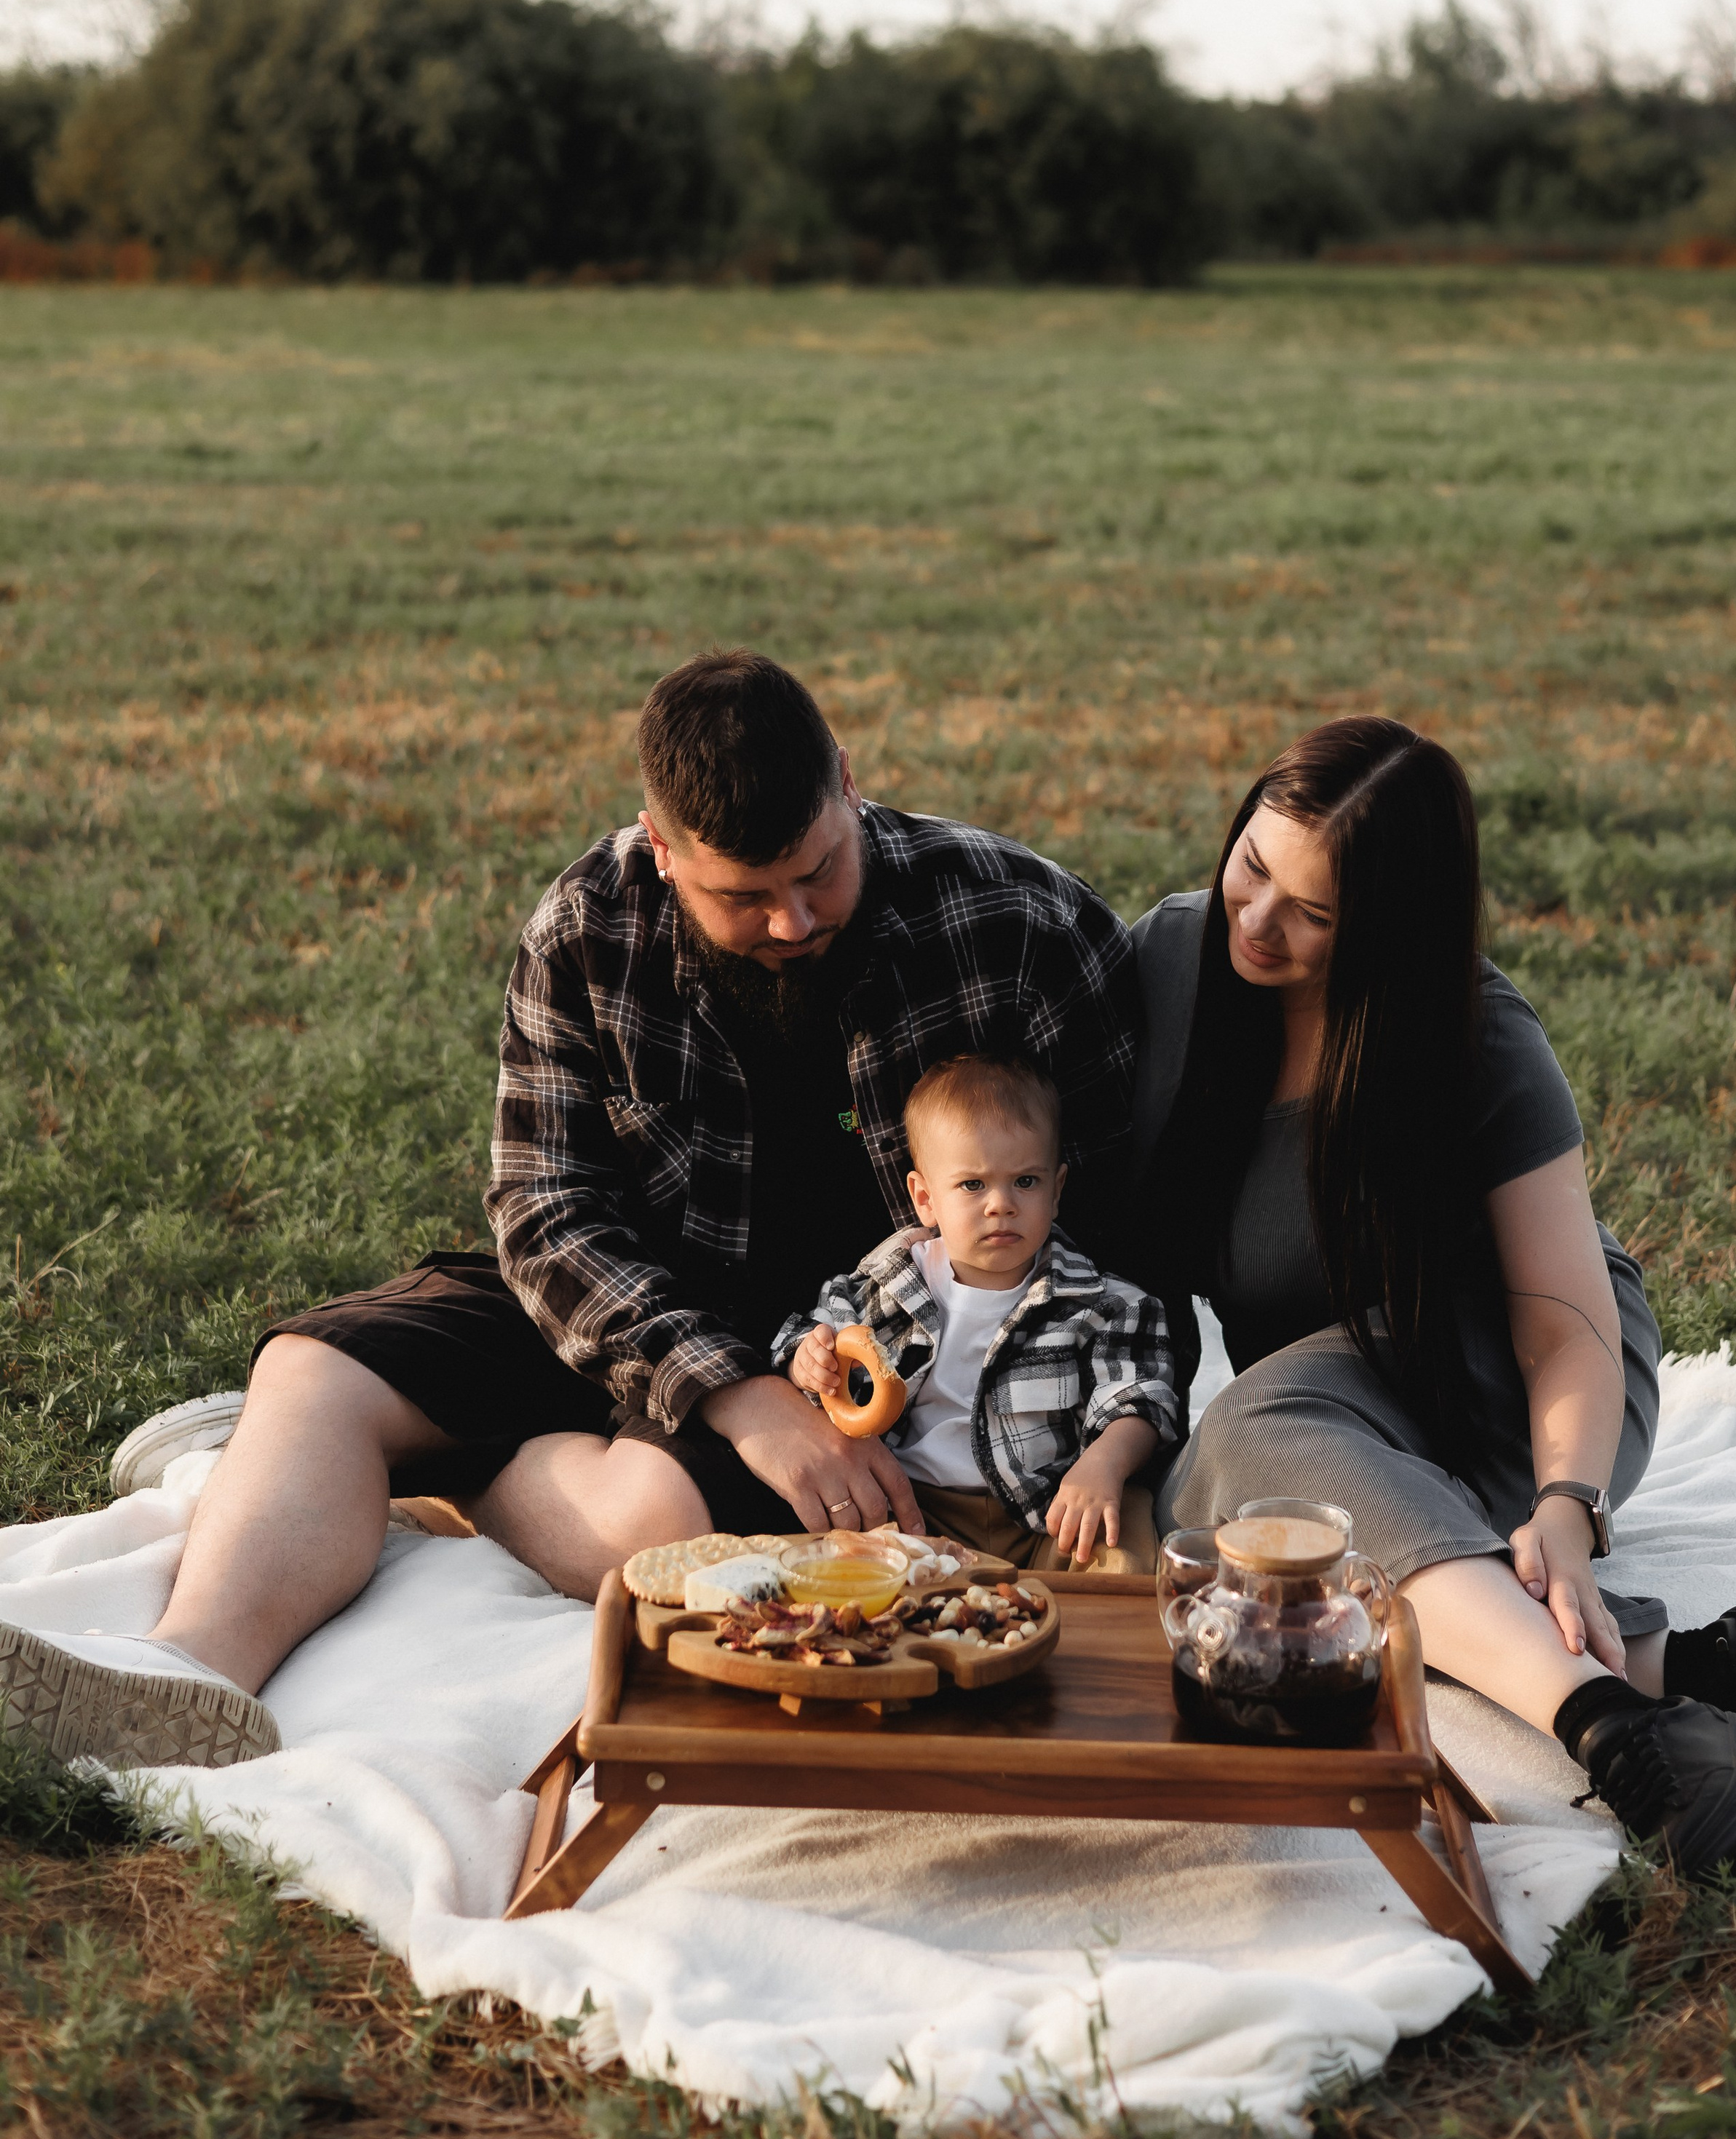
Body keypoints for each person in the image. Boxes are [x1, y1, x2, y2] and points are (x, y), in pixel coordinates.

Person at [0, 652, 1138, 1773]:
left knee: (652, 1532)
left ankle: (415, 1468)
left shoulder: (1022, 923)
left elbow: (1110, 1199)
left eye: (818, 873)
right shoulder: (589, 925)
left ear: (847, 781)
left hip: (850, 1349)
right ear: (660, 845)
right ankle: (184, 1673)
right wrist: (729, 1392)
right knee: (313, 1371)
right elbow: (545, 1208)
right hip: (626, 1292)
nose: (793, 921)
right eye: (744, 896)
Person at [1136, 715, 1736, 1875]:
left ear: (1391, 926)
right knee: (1226, 1553)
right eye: (1252, 867)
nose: (1258, 920)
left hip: (1520, 1374)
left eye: (1314, 913)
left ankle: (1616, 1731)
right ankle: (1717, 1663)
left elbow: (1562, 1322)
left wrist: (1569, 1508)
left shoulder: (1476, 1038)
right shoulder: (1172, 967)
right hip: (1348, 1386)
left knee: (1257, 1462)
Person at [778, 1054, 1176, 1571]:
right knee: (834, 1546)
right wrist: (805, 1362)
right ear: (925, 1199)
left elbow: (1139, 1397)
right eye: (972, 1185)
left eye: (1026, 1182)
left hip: (1046, 1512)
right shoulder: (886, 1286)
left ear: (1056, 1191)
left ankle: (1090, 1635)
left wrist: (1104, 1464)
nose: (1001, 1204)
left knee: (1125, 1531)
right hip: (914, 1511)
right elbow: (811, 1340)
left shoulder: (1101, 1305)